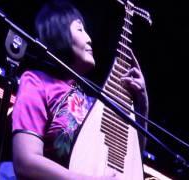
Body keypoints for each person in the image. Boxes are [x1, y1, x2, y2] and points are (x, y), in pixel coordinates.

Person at [11, 0, 149, 179]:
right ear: (58, 33)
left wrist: (142, 104)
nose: (90, 39)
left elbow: (131, 162)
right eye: (80, 29)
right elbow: (25, 161)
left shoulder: (93, 102)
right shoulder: (37, 82)